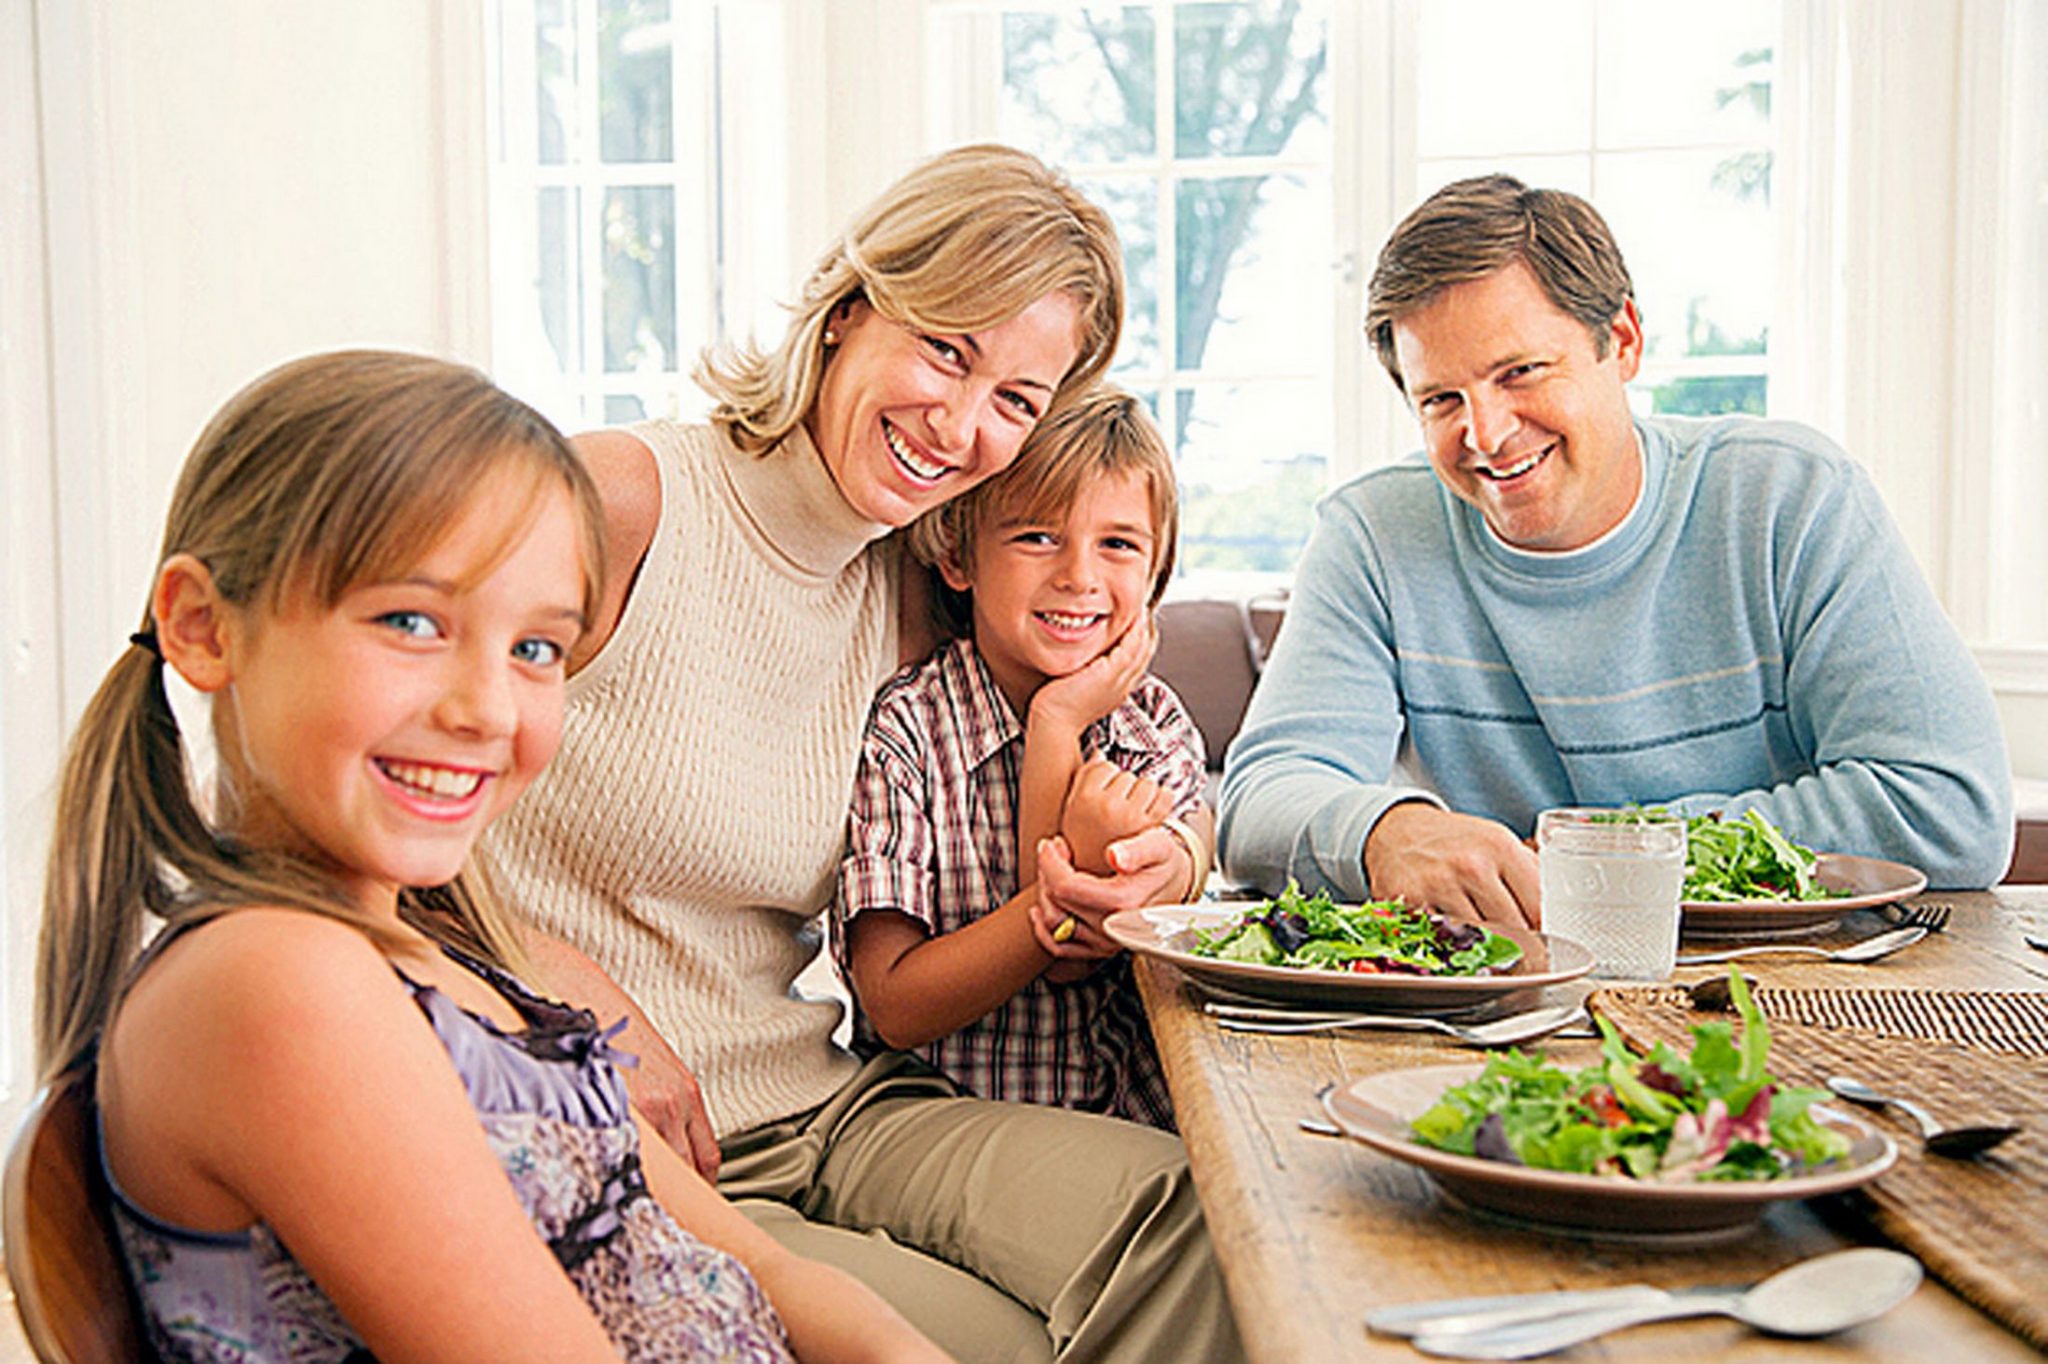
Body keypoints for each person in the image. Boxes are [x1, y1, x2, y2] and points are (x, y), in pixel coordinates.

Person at [481, 146, 1244, 1362]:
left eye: (1017, 397)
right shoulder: (617, 503)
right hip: (641, 1137)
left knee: (1204, 1218)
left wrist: (1179, 853)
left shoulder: (903, 582)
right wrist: (572, 988)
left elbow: (1103, 747)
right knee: (1006, 1345)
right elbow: (332, 817)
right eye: (946, 348)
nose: (961, 424)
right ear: (846, 312)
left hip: (834, 1101)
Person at [37, 350, 947, 1361]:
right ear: (205, 628)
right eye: (412, 621)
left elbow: (764, 1267)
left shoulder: (443, 961)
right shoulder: (278, 981)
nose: (486, 709)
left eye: (537, 648)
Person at [1219, 173, 2013, 929]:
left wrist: (1606, 852)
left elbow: (1951, 806)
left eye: (1520, 372)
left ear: (1623, 340)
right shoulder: (1373, 533)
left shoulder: (1791, 498)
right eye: (1441, 401)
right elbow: (1259, 799)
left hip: (1799, 990)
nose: (1487, 434)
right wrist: (1384, 833)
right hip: (1509, 995)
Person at [831, 386, 1207, 1131]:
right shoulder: (907, 728)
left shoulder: (1152, 721)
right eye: (1037, 536)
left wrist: (1186, 857)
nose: (1079, 576)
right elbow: (896, 1004)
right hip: (941, 1122)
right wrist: (1057, 726)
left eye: (1119, 544)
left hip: (1127, 1115)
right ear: (958, 556)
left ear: (1156, 572)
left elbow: (1083, 958)